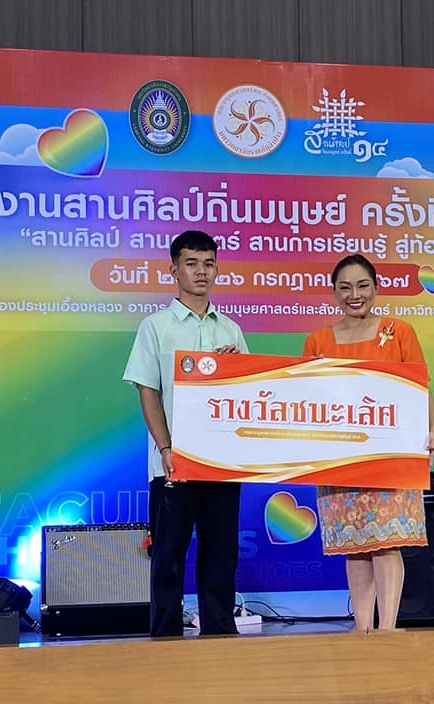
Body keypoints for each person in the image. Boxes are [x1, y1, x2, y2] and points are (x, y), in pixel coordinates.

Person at [303, 254, 434, 632]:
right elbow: (307, 400)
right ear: (334, 293)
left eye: (363, 286)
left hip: (391, 454)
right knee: (356, 544)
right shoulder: (317, 341)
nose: (355, 295)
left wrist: (431, 429)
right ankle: (362, 630)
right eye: (345, 288)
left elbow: (420, 386)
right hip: (340, 458)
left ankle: (387, 630)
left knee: (387, 542)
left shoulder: (400, 332)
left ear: (376, 288)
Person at [123, 230, 248, 638]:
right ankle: (165, 634)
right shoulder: (155, 327)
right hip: (174, 463)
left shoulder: (230, 330)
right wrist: (166, 448)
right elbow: (148, 390)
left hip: (221, 462)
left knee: (221, 551)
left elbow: (248, 393)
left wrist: (234, 369)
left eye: (209, 264)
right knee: (168, 553)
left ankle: (220, 631)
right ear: (173, 270)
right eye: (191, 263)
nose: (201, 272)